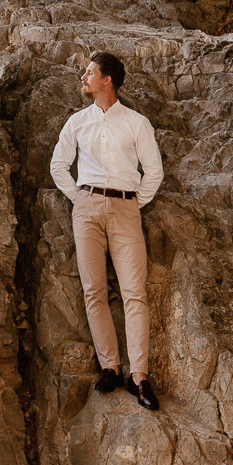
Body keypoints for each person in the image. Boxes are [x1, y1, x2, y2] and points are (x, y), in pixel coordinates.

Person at [49, 51, 163, 410]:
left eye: (89, 73)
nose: (83, 78)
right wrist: (80, 199)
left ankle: (139, 376)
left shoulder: (136, 123)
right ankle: (110, 367)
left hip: (127, 207)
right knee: (93, 290)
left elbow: (154, 172)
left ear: (107, 80)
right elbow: (58, 165)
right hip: (86, 208)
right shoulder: (77, 122)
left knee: (134, 292)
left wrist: (131, 205)